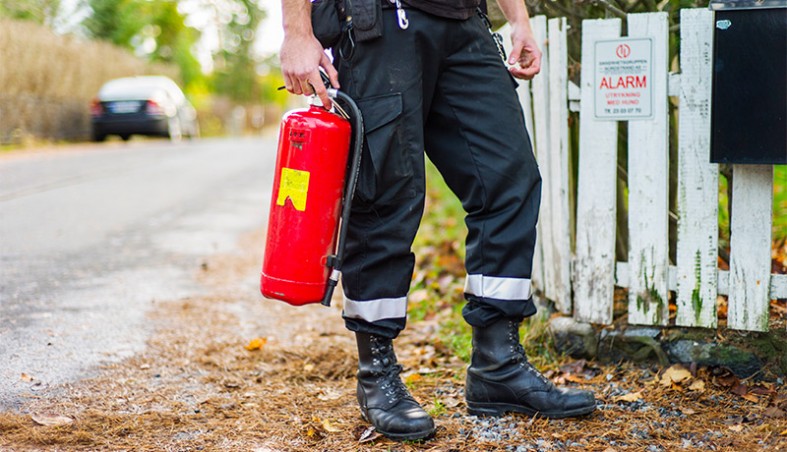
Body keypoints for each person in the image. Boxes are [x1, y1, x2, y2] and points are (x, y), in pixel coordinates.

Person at [279, 0, 596, 441]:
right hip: (380, 25)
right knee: (385, 197)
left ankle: (497, 364)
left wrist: (519, 19)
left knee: (508, 179)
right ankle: (377, 374)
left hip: (465, 25)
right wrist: (297, 31)